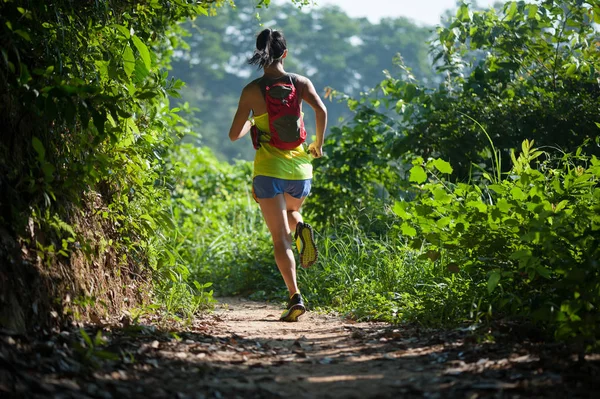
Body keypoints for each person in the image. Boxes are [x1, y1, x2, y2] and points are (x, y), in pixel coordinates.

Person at [228, 28, 327, 322]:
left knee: (278, 239)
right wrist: (317, 145)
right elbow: (321, 110)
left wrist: (250, 122)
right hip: (300, 168)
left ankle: (295, 296)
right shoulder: (301, 82)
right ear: (285, 53)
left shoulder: (251, 90)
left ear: (260, 55)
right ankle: (301, 229)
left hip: (268, 172)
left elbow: (234, 135)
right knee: (292, 214)